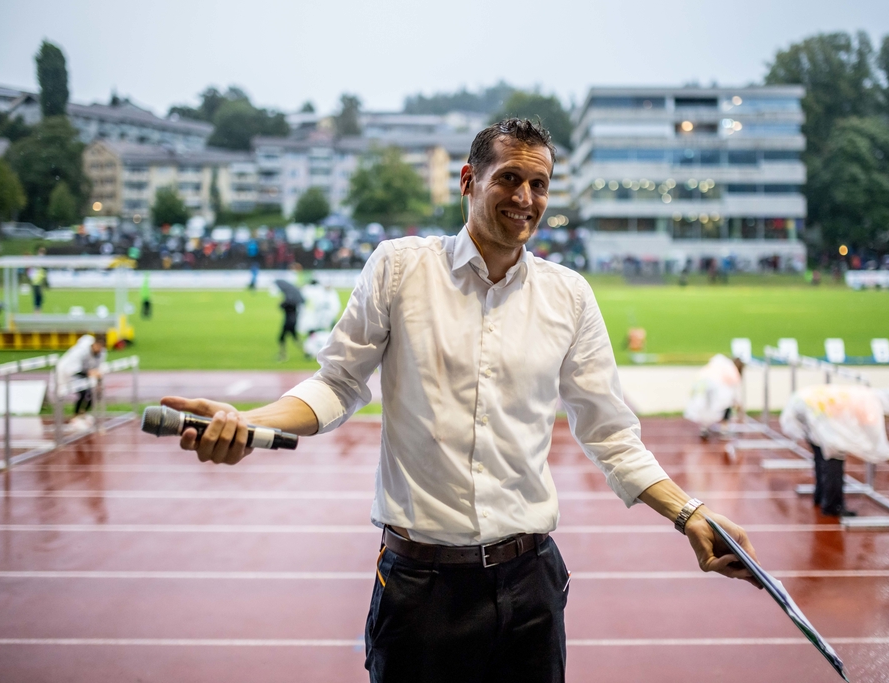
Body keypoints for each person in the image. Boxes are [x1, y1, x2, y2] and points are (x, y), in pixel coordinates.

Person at [162, 119, 759, 683]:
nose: (525, 197)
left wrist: (690, 513)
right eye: (509, 178)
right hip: (418, 589)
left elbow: (610, 434)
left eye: (539, 184)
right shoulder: (399, 268)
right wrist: (250, 422)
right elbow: (339, 383)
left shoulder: (569, 296)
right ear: (470, 181)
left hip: (530, 587)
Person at [779, 384, 889, 517]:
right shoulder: (870, 408)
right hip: (813, 411)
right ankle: (832, 507)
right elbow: (876, 444)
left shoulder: (865, 396)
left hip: (804, 403)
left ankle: (821, 497)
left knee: (821, 455)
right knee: (834, 460)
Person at [685, 354, 744, 440]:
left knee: (705, 407)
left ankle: (704, 429)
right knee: (726, 404)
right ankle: (724, 428)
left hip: (700, 385)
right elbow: (731, 394)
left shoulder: (721, 362)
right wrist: (738, 406)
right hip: (712, 388)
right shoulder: (733, 372)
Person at [56, 334, 106, 417]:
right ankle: (75, 416)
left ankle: (82, 414)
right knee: (84, 392)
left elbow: (97, 371)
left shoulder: (101, 353)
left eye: (101, 347)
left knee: (95, 393)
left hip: (84, 375)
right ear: (94, 344)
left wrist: (99, 382)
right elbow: (73, 369)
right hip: (69, 374)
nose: (99, 349)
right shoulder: (80, 351)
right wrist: (89, 373)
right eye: (98, 346)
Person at [29, 247, 48, 313]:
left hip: (37, 281)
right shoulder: (39, 261)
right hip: (37, 282)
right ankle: (37, 312)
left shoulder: (38, 261)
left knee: (39, 298)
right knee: (38, 298)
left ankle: (37, 312)